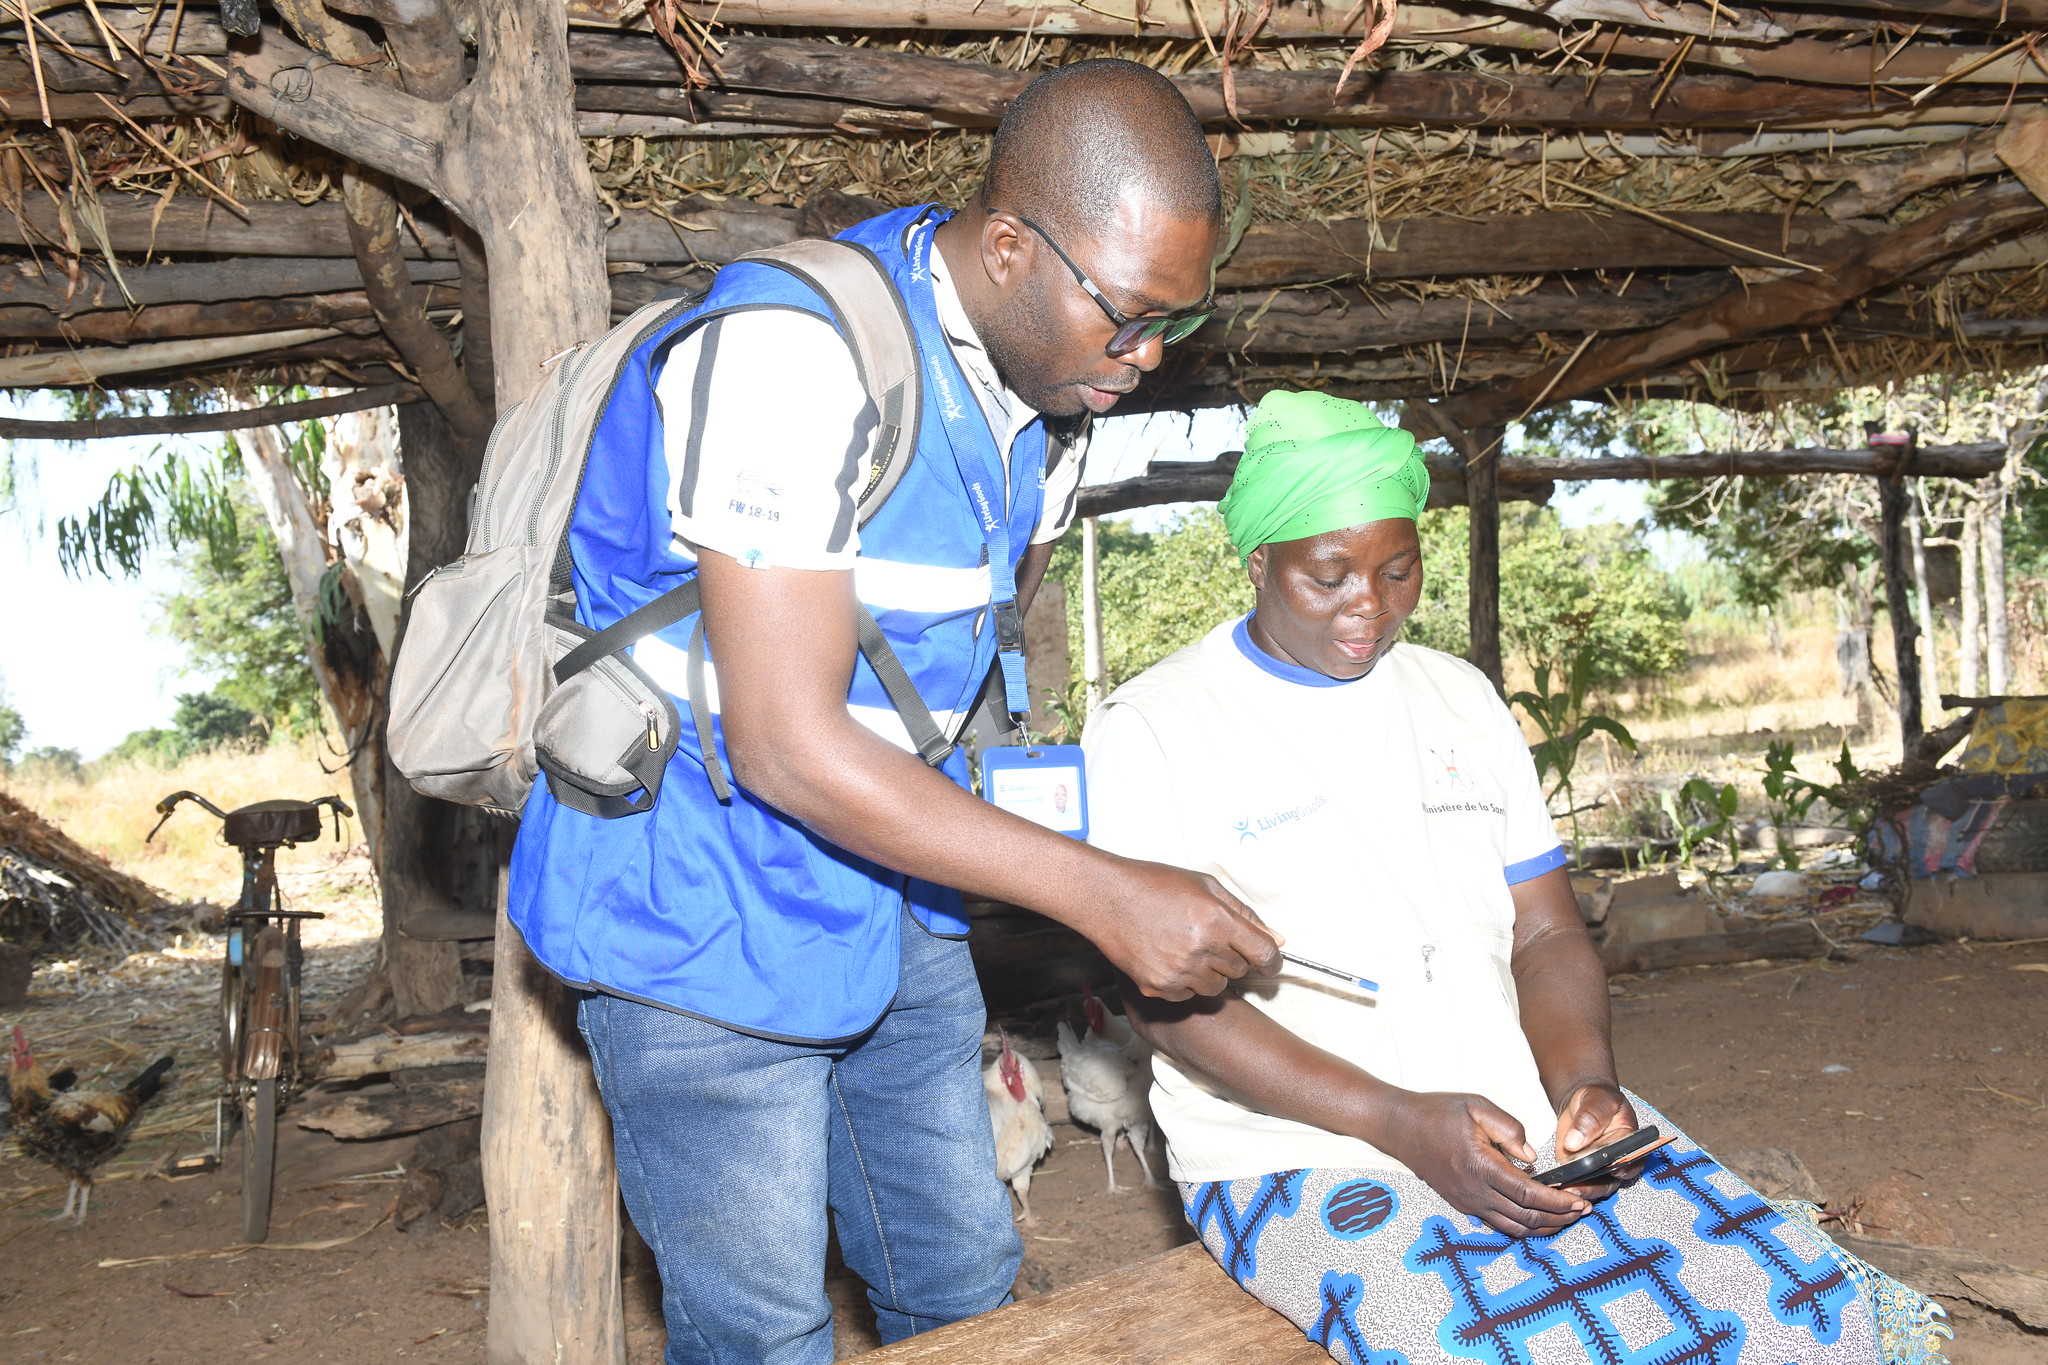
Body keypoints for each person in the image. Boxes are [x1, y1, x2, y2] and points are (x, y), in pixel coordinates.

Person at [507, 61, 1284, 1365]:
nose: (1148, 360)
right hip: (695, 918)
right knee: (761, 1325)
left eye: (1175, 325)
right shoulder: (790, 354)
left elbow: (951, 685)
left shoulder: (1048, 414)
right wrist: (1101, 893)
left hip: (889, 898)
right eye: (1131, 317)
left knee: (963, 1277)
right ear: (1009, 246)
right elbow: (786, 742)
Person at [1081, 390, 1949, 1365]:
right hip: (1294, 1154)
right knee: (1528, 1347)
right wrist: (1397, 1121)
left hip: (1515, 1121)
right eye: (1326, 576)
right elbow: (1166, 1008)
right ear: (1257, 563)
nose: (1367, 604)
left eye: (1396, 568)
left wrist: (1581, 1083)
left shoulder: (1457, 700)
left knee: (1803, 1313)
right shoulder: (1158, 728)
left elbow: (1542, 935)